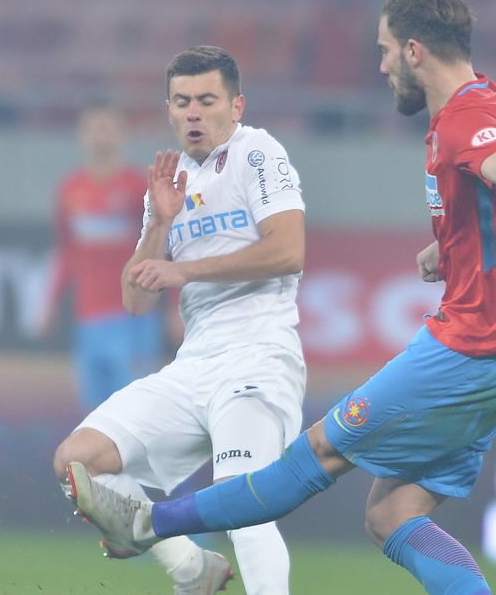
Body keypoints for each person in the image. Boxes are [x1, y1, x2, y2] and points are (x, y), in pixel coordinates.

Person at [67, 0, 496, 595]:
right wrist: (447, 247)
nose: (384, 63)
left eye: (388, 49)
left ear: (416, 51)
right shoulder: (495, 99)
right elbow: (495, 189)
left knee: (309, 463)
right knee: (391, 515)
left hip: (469, 349)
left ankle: (153, 523)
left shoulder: (460, 121)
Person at [51, 46, 307, 594]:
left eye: (207, 100)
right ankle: (194, 569)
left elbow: (289, 250)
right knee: (78, 462)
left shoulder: (256, 152)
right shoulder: (166, 185)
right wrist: (159, 227)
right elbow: (135, 300)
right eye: (182, 101)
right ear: (168, 110)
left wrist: (185, 271)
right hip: (194, 366)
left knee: (245, 502)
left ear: (235, 106)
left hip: (259, 355)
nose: (194, 112)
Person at [41, 99, 161, 412]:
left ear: (123, 134)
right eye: (93, 129)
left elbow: (163, 247)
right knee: (94, 413)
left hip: (133, 315)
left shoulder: (138, 187)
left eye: (108, 129)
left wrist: (176, 309)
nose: (100, 137)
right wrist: (50, 303)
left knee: (134, 412)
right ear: (81, 135)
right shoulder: (70, 189)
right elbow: (67, 251)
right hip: (88, 318)